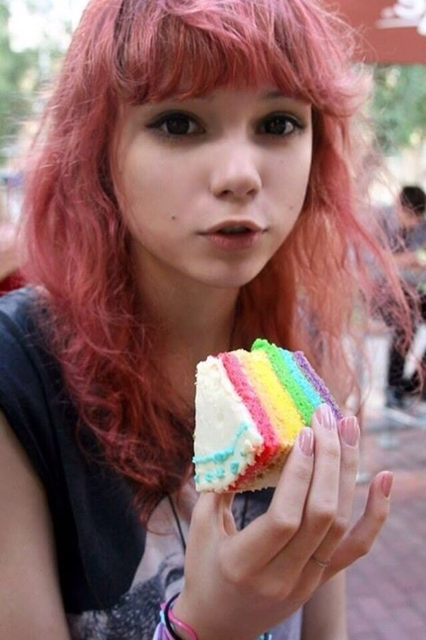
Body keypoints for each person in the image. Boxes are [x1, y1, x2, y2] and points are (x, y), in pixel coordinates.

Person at [0, 1, 409, 639]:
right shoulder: (17, 372)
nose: (239, 176)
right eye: (179, 123)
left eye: (278, 123)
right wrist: (204, 627)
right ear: (98, 150)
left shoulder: (302, 348)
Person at [385, 185, 426, 410]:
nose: (414, 222)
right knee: (404, 328)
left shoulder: (422, 229)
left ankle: (416, 385)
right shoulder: (384, 223)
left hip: (413, 291)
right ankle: (394, 387)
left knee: (408, 318)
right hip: (388, 294)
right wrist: (410, 259)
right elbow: (377, 258)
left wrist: (412, 260)